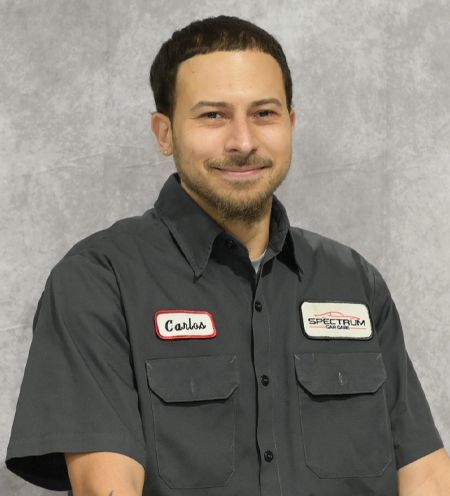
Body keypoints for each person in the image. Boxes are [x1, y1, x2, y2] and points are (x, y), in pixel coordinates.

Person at [4, 14, 450, 496]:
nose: (243, 141)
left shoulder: (354, 281)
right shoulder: (99, 280)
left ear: (291, 124)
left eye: (264, 114)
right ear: (164, 132)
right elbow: (104, 487)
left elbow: (426, 476)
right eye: (213, 115)